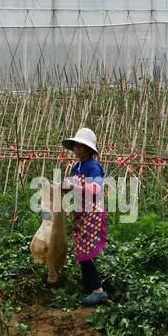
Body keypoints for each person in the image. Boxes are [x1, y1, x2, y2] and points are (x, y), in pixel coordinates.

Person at [61, 126, 109, 305]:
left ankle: (98, 290)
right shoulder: (76, 167)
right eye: (76, 146)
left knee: (86, 252)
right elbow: (73, 189)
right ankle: (89, 288)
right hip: (81, 214)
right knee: (81, 252)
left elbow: (96, 189)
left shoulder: (93, 166)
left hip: (93, 215)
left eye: (82, 146)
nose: (78, 149)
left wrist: (74, 187)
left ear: (90, 149)